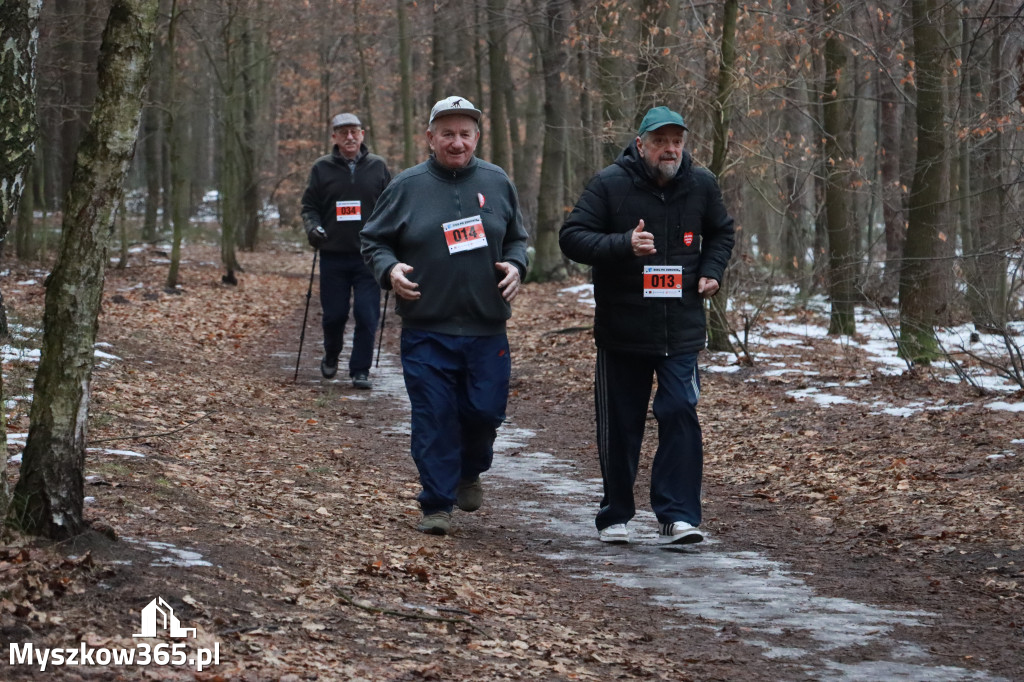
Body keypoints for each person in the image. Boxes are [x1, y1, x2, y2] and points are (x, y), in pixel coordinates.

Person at [559, 105, 735, 545]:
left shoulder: (702, 184)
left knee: (679, 412)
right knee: (621, 423)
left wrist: (712, 270)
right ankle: (615, 514)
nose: (670, 150)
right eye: (660, 142)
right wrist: (623, 244)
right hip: (623, 329)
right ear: (641, 145)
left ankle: (677, 517)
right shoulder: (609, 185)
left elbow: (722, 233)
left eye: (677, 142)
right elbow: (572, 237)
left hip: (682, 328)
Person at [361, 96, 529, 536]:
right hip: (427, 327)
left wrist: (516, 266)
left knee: (485, 413)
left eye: (465, 134)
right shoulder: (407, 186)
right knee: (434, 415)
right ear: (430, 137)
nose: (457, 143)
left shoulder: (497, 181)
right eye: (448, 134)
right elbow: (373, 241)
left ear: (477, 137)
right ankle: (435, 502)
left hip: (486, 327)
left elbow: (516, 240)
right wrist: (390, 269)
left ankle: (468, 471)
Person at [301, 112, 392, 389]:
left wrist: (393, 238)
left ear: (362, 134)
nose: (349, 137)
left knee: (367, 315)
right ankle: (331, 352)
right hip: (333, 255)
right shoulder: (321, 168)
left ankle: (360, 370)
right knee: (334, 315)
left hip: (369, 257)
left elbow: (391, 206)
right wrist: (313, 228)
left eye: (354, 131)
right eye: (343, 133)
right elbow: (309, 207)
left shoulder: (378, 167)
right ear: (334, 138)